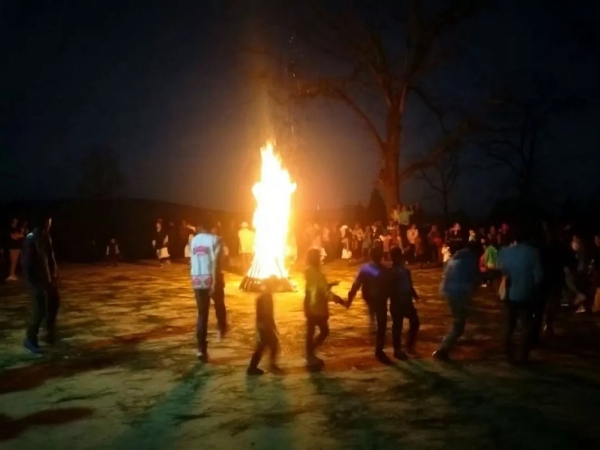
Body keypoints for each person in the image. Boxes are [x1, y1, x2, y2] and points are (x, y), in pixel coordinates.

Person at [498, 228, 543, 362]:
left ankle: (506, 347)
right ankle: (523, 354)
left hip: (510, 292)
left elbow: (502, 270)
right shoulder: (533, 253)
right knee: (525, 325)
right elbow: (538, 276)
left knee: (510, 322)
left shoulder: (505, 252)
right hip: (526, 293)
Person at [21, 210, 60, 354]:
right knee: (39, 311)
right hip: (36, 281)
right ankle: (30, 339)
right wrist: (32, 283)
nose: (50, 223)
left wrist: (54, 276)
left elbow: (50, 257)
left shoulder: (45, 236)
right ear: (44, 221)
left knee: (54, 305)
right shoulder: (31, 239)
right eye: (49, 220)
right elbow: (26, 264)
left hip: (48, 279)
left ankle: (49, 334)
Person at [433, 242, 479, 360]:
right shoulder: (469, 259)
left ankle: (446, 346)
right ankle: (443, 349)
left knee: (457, 323)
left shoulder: (455, 258)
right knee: (458, 325)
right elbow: (474, 277)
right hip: (459, 294)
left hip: (450, 292)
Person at [190, 222, 227, 362]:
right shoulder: (216, 239)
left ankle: (201, 349)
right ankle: (221, 327)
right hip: (211, 278)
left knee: (202, 314)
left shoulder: (193, 240)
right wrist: (214, 282)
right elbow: (216, 263)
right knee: (219, 303)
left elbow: (193, 261)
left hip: (197, 280)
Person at [347, 246, 391, 360]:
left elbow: (356, 284)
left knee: (374, 311)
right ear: (381, 256)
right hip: (380, 299)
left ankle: (372, 318)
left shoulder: (365, 269)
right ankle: (379, 349)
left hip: (369, 297)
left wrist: (350, 298)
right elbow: (390, 286)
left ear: (371, 256)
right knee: (382, 324)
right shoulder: (385, 270)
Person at [304, 248, 344, 368]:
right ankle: (310, 353)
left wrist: (329, 284)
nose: (321, 260)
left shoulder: (308, 272)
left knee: (311, 331)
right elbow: (325, 292)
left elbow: (316, 287)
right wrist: (339, 300)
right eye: (319, 257)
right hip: (317, 306)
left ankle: (310, 354)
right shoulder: (318, 274)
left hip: (309, 304)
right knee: (324, 331)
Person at [247, 276, 283, 375]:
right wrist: (262, 325)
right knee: (263, 346)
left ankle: (267, 365)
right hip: (264, 325)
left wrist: (272, 325)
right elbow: (261, 314)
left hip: (266, 324)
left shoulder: (267, 296)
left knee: (270, 344)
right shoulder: (263, 298)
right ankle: (254, 367)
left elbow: (269, 313)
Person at [389, 247, 420, 359]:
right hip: (399, 302)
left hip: (405, 301)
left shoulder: (404, 271)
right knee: (398, 326)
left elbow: (409, 285)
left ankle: (406, 346)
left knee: (413, 323)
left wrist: (414, 294)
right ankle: (399, 349)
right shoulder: (391, 272)